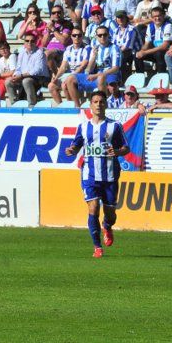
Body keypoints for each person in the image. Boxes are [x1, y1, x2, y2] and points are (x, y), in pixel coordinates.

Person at [64, 91, 130, 258]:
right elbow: (77, 144)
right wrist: (71, 150)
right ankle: (97, 246)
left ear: (105, 105)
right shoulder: (84, 127)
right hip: (90, 175)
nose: (98, 104)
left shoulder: (115, 126)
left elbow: (126, 148)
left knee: (110, 215)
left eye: (101, 102)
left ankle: (107, 226)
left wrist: (116, 151)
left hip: (110, 176)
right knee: (93, 207)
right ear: (90, 105)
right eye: (95, 102)